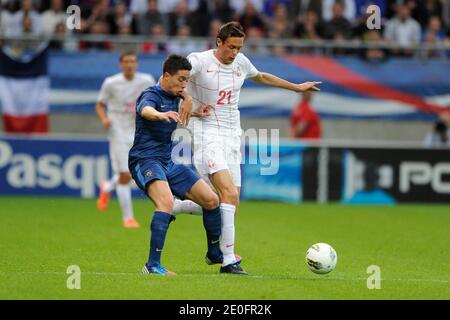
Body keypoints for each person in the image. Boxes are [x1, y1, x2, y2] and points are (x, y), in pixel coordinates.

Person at [186, 21, 321, 275]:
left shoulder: (241, 62)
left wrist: (296, 88)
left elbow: (260, 76)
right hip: (206, 134)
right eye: (231, 47)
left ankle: (176, 207)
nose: (235, 52)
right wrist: (187, 103)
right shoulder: (199, 61)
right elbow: (174, 76)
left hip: (232, 135)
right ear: (219, 42)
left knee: (227, 200)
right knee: (227, 194)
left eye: (239, 48)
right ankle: (228, 259)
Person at [128, 54, 236, 275]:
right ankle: (152, 265)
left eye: (187, 80)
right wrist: (159, 115)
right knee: (166, 203)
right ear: (166, 76)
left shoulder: (175, 93)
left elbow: (179, 110)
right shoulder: (150, 94)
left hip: (167, 160)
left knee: (212, 200)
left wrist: (193, 110)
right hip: (145, 160)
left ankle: (214, 253)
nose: (184, 84)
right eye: (181, 79)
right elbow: (145, 111)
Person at [95, 51, 156, 228]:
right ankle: (128, 218)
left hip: (138, 131)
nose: (129, 65)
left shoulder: (146, 80)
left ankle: (107, 186)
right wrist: (104, 119)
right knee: (125, 175)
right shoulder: (111, 83)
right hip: (117, 131)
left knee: (132, 172)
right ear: (120, 64)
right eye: (126, 62)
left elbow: (153, 99)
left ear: (136, 64)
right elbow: (100, 104)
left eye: (133, 61)